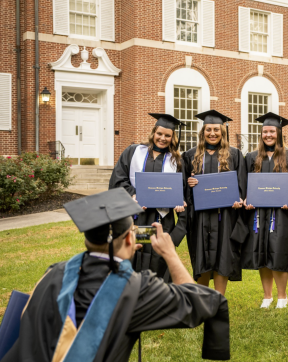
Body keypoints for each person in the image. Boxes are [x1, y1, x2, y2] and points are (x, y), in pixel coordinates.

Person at [1, 189, 230, 362]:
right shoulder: (135, 290)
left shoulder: (54, 273)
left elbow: (23, 315)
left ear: (87, 240)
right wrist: (170, 254)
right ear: (131, 239)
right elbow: (196, 299)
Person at [108, 113, 187, 281]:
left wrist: (179, 206)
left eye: (167, 135)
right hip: (136, 218)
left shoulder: (177, 161)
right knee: (135, 255)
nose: (162, 138)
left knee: (158, 261)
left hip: (162, 221)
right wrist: (133, 195)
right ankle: (132, 297)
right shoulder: (133, 151)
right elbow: (118, 180)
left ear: (173, 138)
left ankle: (156, 300)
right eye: (159, 134)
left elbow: (184, 193)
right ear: (153, 133)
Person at [183, 110, 247, 295]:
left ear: (223, 131)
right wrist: (189, 183)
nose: (212, 133)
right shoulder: (190, 155)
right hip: (200, 217)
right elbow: (183, 185)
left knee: (223, 256)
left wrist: (239, 200)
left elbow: (241, 183)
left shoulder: (234, 154)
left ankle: (219, 298)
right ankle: (203, 299)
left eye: (216, 129)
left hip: (225, 216)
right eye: (208, 129)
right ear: (202, 132)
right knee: (201, 255)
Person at [242, 112, 288, 309]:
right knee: (261, 252)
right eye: (265, 131)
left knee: (278, 252)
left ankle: (282, 296)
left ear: (279, 133)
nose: (268, 135)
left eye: (272, 131)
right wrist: (246, 199)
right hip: (257, 214)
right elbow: (244, 185)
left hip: (280, 214)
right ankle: (267, 296)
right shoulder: (250, 157)